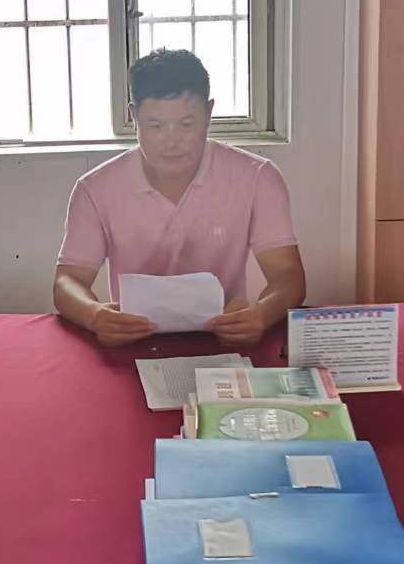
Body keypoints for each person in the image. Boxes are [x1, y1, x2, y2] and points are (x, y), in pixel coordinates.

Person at [53, 49, 307, 348]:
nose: (171, 141)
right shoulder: (96, 188)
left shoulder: (257, 178)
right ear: (134, 116)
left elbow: (288, 275)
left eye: (187, 124)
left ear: (209, 112)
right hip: (133, 340)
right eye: (155, 125)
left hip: (224, 339)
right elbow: (68, 281)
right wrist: (95, 315)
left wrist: (261, 315)